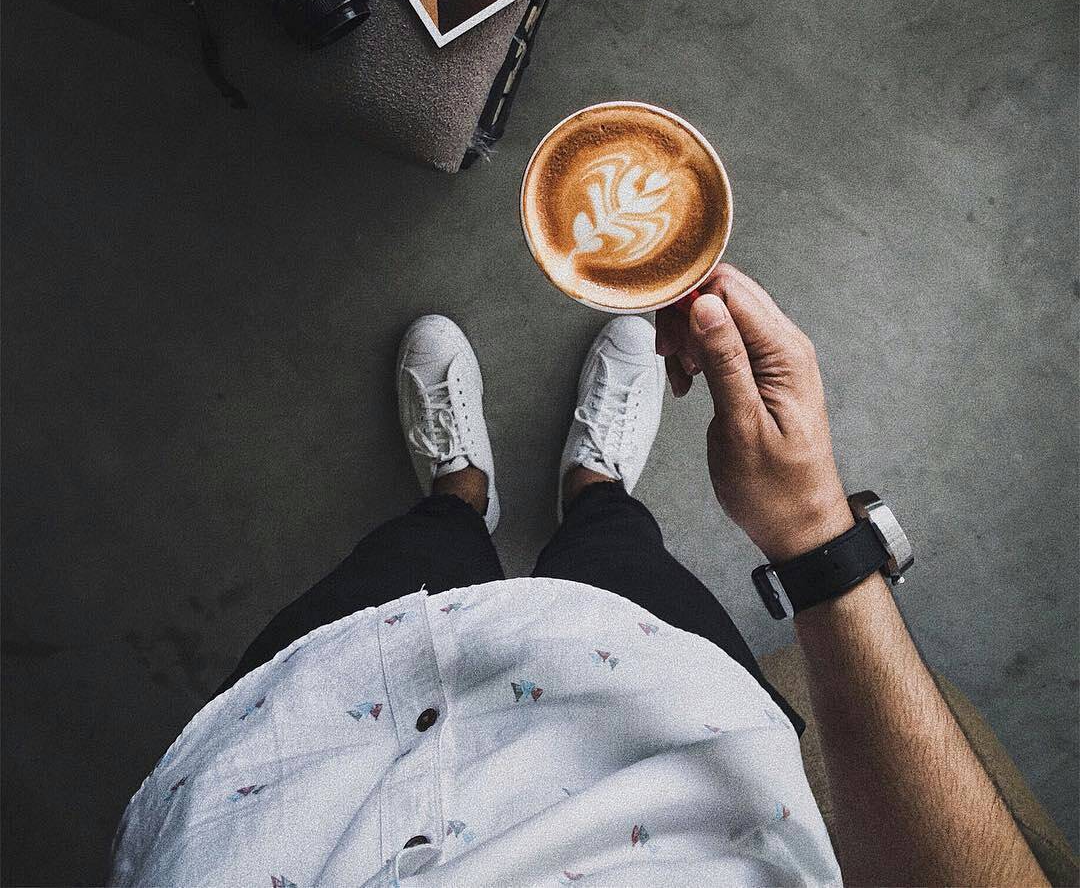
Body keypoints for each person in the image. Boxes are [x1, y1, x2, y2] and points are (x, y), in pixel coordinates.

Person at [107, 265, 1047, 887]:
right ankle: (594, 485)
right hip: (669, 727)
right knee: (617, 554)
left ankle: (460, 493)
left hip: (292, 768)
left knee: (416, 558)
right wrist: (810, 528)